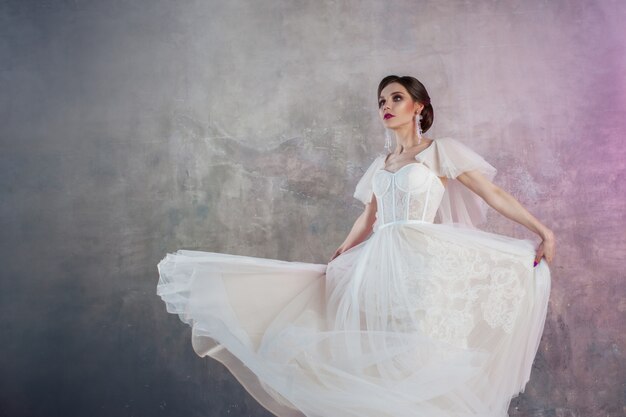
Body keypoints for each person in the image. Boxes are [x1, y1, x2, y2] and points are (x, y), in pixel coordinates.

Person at [157, 75, 554, 417]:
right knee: (378, 348)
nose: (387, 106)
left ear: (419, 106)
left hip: (422, 262)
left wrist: (542, 231)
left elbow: (493, 193)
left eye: (396, 98)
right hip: (380, 262)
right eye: (382, 101)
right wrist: (342, 253)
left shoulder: (439, 151)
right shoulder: (382, 162)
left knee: (419, 349)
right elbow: (369, 217)